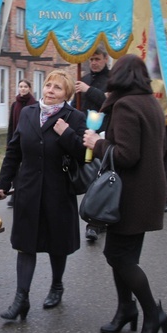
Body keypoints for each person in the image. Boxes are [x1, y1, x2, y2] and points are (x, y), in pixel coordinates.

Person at [82, 54, 167, 333]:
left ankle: (152, 313)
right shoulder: (149, 102)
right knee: (124, 257)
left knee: (118, 257)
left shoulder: (126, 105)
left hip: (131, 196)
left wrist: (98, 143)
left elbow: (127, 155)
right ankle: (126, 310)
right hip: (145, 193)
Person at [0, 70, 86, 321]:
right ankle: (21, 299)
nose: (50, 90)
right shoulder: (28, 113)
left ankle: (57, 286)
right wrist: (4, 181)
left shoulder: (75, 117)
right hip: (29, 190)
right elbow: (14, 151)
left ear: (66, 93)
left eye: (57, 87)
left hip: (59, 191)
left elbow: (83, 154)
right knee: (26, 245)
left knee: (58, 244)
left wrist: (66, 133)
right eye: (48, 85)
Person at [74, 45, 110, 241]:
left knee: (101, 180)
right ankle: (95, 217)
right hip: (84, 136)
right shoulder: (84, 79)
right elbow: (75, 106)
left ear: (105, 59)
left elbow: (107, 102)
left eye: (97, 59)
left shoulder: (112, 79)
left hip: (104, 137)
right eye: (91, 60)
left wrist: (89, 90)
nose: (94, 63)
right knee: (89, 179)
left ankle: (95, 224)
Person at [5, 79, 37, 208]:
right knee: (15, 167)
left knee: (27, 167)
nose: (22, 89)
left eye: (25, 86)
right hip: (16, 139)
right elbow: (11, 124)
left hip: (28, 140)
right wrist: (9, 142)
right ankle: (15, 194)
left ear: (29, 88)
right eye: (20, 86)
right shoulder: (15, 104)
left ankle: (28, 192)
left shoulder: (33, 104)